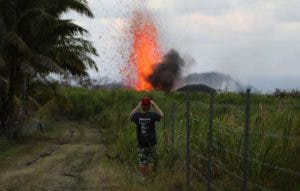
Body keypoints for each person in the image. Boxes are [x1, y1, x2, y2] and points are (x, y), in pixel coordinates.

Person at [130, 96, 164, 178]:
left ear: (142, 106)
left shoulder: (137, 116)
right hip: (151, 143)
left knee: (142, 162)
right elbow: (162, 115)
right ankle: (149, 178)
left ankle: (143, 178)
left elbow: (131, 115)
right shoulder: (152, 115)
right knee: (150, 162)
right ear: (149, 106)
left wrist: (138, 105)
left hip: (141, 144)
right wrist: (154, 105)